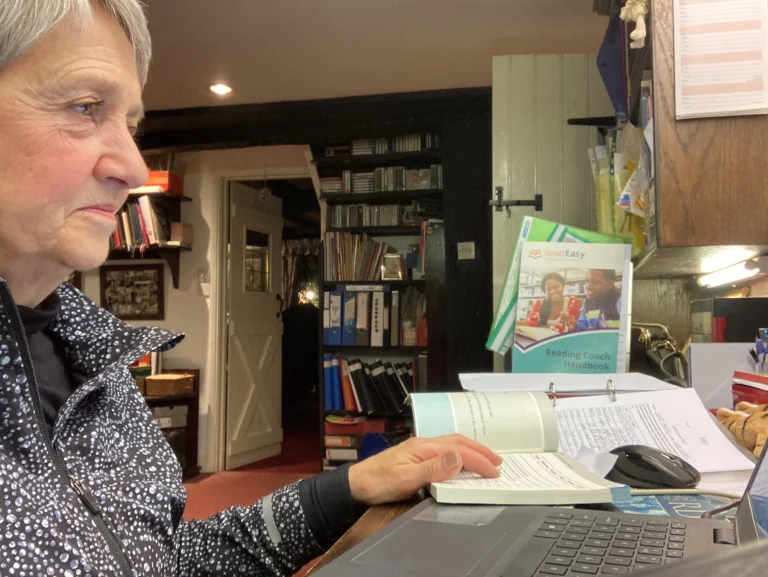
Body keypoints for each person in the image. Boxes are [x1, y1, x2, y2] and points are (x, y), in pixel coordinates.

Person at [0, 2, 502, 576]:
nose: (135, 168)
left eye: (131, 126)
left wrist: (348, 487)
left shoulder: (93, 358)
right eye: (85, 107)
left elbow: (163, 560)